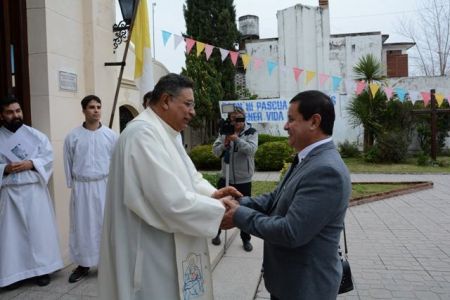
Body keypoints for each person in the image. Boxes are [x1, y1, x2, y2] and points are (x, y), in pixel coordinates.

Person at [98, 73, 242, 300]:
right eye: (188, 104)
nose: (193, 112)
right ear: (166, 100)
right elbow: (169, 200)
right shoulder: (142, 134)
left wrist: (212, 193)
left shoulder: (165, 132)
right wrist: (217, 213)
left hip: (164, 240)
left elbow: (189, 176)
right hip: (150, 248)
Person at [221, 90, 352, 300]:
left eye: (291, 119)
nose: (285, 126)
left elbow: (291, 232)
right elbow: (275, 198)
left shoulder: (327, 170)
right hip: (289, 283)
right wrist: (239, 202)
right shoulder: (307, 158)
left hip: (305, 288)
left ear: (314, 122)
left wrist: (238, 215)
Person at [0, 97, 63, 289]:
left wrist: (31, 163)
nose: (16, 115)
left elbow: (49, 159)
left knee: (39, 232)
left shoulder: (36, 136)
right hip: (10, 193)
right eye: (10, 112)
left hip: (34, 191)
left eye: (18, 111)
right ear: (2, 115)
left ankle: (42, 270)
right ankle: (13, 274)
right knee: (12, 236)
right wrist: (5, 168)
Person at [63, 95, 118, 283]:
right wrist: (72, 184)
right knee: (82, 226)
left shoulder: (111, 136)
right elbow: (67, 161)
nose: (96, 110)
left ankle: (107, 264)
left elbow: (116, 163)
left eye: (99, 107)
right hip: (82, 187)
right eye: (91, 107)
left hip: (104, 186)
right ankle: (83, 264)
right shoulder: (73, 136)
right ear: (84, 110)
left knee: (105, 225)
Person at [211, 106, 258, 251]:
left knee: (244, 209)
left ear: (244, 118)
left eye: (239, 119)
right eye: (233, 119)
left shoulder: (251, 132)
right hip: (226, 177)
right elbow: (215, 151)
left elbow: (251, 150)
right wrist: (225, 145)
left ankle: (245, 239)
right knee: (219, 207)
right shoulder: (224, 131)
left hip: (244, 179)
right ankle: (216, 233)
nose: (237, 122)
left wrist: (236, 139)